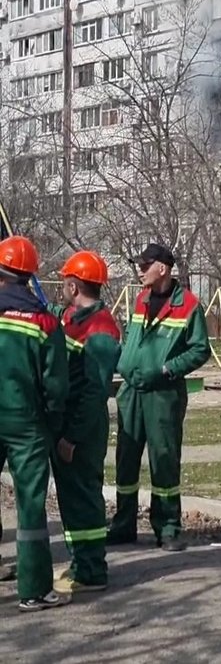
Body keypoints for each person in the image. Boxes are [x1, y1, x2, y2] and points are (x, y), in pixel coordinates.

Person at [108, 243, 209, 552]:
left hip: (163, 394)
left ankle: (167, 528)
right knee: (125, 460)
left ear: (162, 268)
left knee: (163, 460)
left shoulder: (189, 305)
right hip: (131, 391)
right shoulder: (139, 300)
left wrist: (167, 369)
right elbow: (132, 340)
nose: (139, 270)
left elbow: (200, 349)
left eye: (144, 264)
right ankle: (123, 525)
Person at [0, 235, 69, 612]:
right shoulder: (44, 321)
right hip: (26, 421)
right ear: (29, 275)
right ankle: (34, 590)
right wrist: (54, 424)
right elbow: (56, 384)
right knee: (29, 505)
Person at [50, 250, 121, 595]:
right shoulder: (72, 319)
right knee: (72, 498)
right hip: (69, 423)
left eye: (64, 283)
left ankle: (92, 570)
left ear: (73, 285)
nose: (62, 289)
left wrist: (72, 436)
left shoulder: (101, 329)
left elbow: (95, 391)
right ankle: (81, 562)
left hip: (83, 427)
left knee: (84, 498)